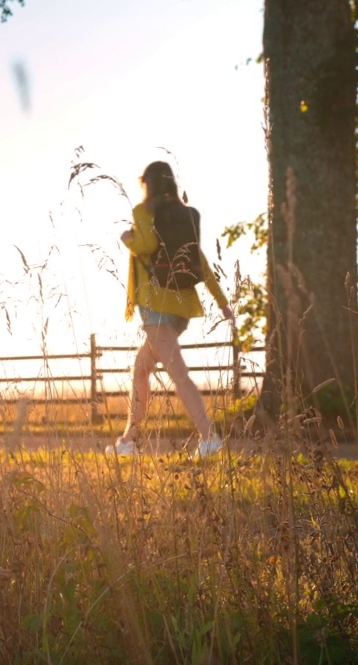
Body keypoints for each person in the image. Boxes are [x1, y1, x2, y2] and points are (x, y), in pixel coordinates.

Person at [111, 161, 234, 459]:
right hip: (181, 308)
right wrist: (221, 301)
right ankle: (129, 439)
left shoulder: (144, 213)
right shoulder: (183, 216)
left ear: (147, 184)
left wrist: (128, 240)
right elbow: (200, 261)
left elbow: (146, 245)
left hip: (155, 306)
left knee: (178, 374)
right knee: (141, 368)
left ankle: (209, 437)